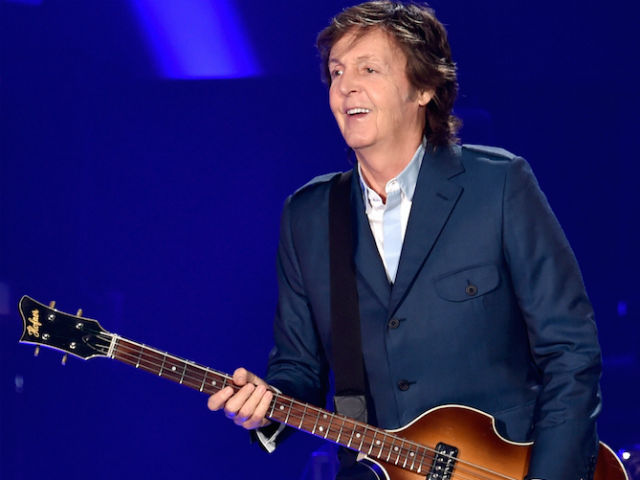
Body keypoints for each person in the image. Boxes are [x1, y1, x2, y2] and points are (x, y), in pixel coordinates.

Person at [208, 2, 602, 479]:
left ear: (424, 87)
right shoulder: (308, 214)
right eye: (337, 72)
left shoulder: (500, 185)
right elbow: (299, 367)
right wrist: (267, 403)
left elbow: (571, 352)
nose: (345, 86)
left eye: (368, 69)